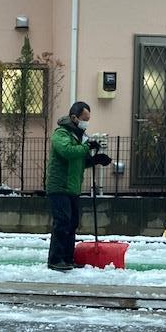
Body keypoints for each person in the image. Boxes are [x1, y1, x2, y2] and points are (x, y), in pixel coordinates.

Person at [46, 101, 112, 271]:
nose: (86, 122)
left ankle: (67, 258)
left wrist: (95, 160)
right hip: (59, 186)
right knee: (62, 222)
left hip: (72, 187)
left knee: (72, 223)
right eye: (84, 119)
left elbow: (78, 162)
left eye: (88, 119)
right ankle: (55, 259)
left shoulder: (79, 135)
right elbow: (68, 152)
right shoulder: (61, 134)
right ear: (74, 117)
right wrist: (86, 147)